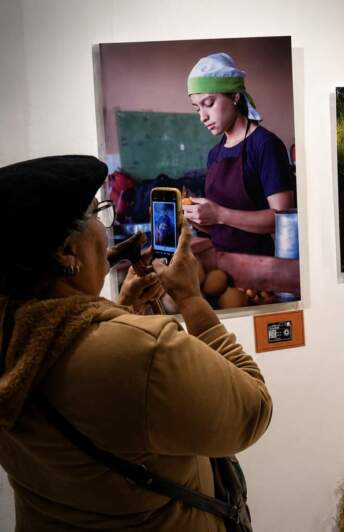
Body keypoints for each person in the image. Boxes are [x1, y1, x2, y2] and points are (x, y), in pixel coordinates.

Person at [0, 155, 272, 530]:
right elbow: (253, 410)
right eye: (98, 215)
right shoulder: (146, 351)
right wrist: (192, 300)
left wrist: (122, 310)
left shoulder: (11, 341)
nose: (104, 229)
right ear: (66, 252)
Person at [185, 52, 294, 256]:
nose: (202, 116)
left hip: (260, 266)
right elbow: (221, 228)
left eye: (208, 104)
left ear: (235, 96)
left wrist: (219, 214)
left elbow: (283, 220)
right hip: (222, 263)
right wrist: (198, 219)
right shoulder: (214, 154)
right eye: (196, 108)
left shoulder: (265, 145)